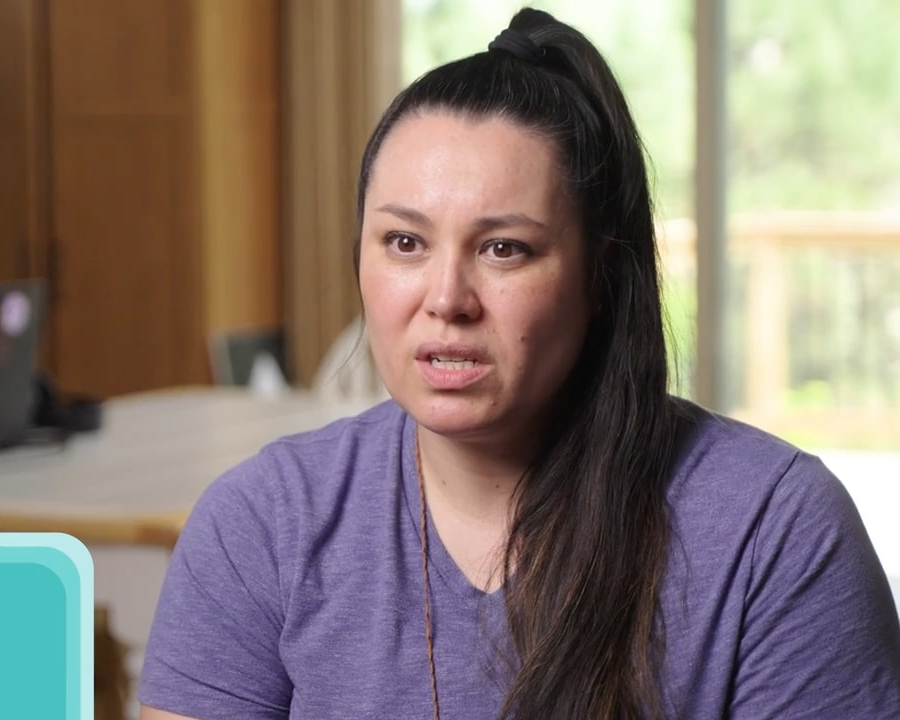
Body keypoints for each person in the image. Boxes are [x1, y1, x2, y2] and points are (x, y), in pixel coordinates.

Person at [137, 8, 900, 719]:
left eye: (505, 248)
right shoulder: (263, 525)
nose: (447, 298)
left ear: (600, 276)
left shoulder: (774, 530)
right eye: (405, 242)